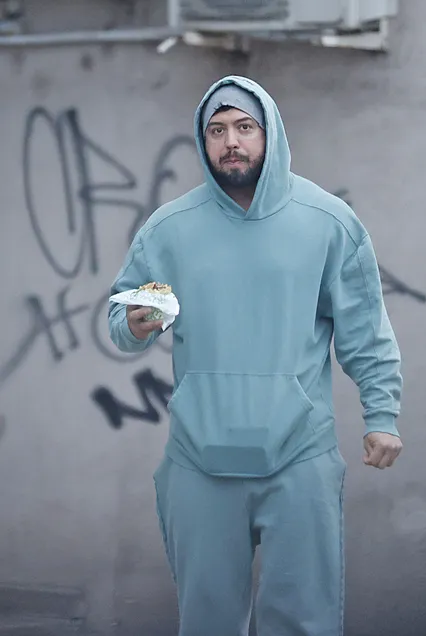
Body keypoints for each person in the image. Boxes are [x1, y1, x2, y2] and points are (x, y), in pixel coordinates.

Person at [108, 75, 403, 636]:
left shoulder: (327, 221)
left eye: (245, 127)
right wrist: (135, 323)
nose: (231, 142)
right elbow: (121, 319)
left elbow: (365, 330)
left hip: (300, 455)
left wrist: (382, 415)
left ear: (271, 133)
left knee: (304, 623)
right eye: (217, 130)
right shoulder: (168, 229)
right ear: (203, 141)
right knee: (208, 624)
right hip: (198, 459)